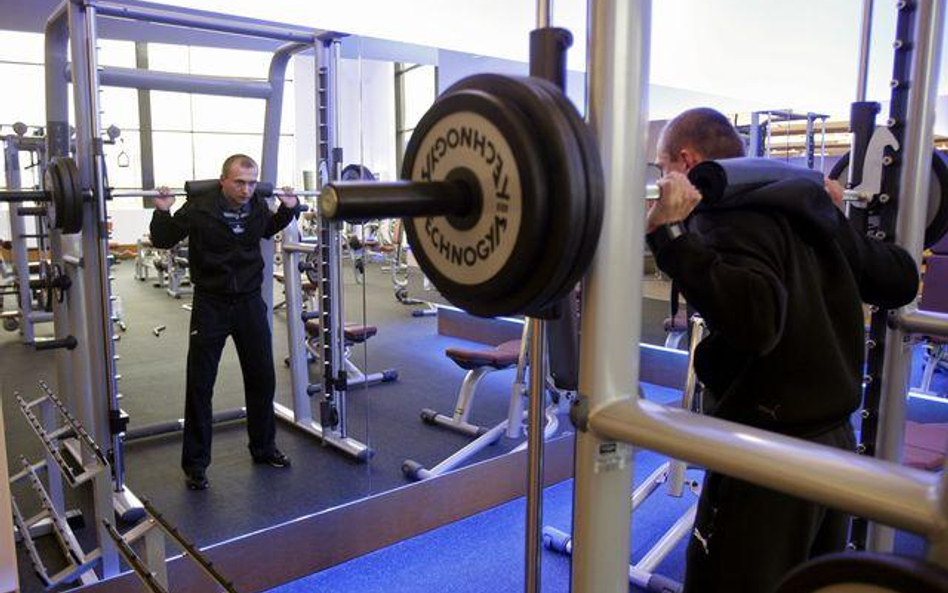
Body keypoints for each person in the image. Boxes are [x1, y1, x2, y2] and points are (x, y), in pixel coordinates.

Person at [645, 108, 919, 592]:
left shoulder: (720, 214)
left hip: (768, 456)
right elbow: (899, 280)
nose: (661, 178)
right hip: (834, 447)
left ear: (685, 163)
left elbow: (758, 321)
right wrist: (838, 219)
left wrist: (670, 237)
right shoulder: (808, 208)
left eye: (661, 166)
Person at [150, 154, 299, 490]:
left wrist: (288, 208)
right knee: (201, 385)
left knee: (262, 378)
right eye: (239, 182)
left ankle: (263, 448)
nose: (246, 189)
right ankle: (196, 464)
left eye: (251, 182)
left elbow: (267, 228)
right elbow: (164, 239)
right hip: (212, 305)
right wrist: (162, 210)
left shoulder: (259, 205)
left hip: (248, 303)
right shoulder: (200, 207)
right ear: (223, 180)